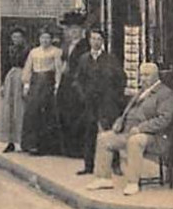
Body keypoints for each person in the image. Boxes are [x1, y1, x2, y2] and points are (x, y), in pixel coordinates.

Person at [87, 62, 173, 196]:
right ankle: (103, 178)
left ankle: (132, 182)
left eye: (147, 75)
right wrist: (120, 121)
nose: (143, 78)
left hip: (155, 136)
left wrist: (141, 128)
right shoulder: (141, 92)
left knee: (135, 141)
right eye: (141, 75)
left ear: (156, 76)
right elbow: (129, 111)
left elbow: (164, 119)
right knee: (104, 139)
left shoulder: (165, 94)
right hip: (129, 131)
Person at [75, 27, 126, 175]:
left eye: (98, 39)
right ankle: (88, 165)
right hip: (90, 102)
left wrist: (115, 96)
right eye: (93, 39)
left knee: (110, 132)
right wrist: (83, 94)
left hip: (107, 101)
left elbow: (121, 78)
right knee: (89, 133)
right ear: (89, 40)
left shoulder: (110, 59)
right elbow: (78, 79)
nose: (95, 42)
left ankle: (115, 165)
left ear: (103, 42)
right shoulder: (84, 59)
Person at [20, 28, 63, 155]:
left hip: (48, 83)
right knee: (32, 112)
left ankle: (46, 146)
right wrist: (26, 84)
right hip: (35, 83)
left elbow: (58, 69)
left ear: (51, 39)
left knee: (46, 112)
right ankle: (31, 144)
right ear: (39, 39)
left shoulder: (56, 52)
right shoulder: (34, 52)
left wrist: (57, 85)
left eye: (47, 38)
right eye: (42, 38)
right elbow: (28, 68)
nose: (45, 40)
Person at [56, 12, 90, 159]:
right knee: (65, 114)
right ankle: (68, 148)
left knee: (77, 115)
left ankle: (78, 149)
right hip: (66, 84)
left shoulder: (85, 45)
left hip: (77, 84)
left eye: (76, 29)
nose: (73, 32)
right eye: (71, 30)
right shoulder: (67, 45)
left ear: (81, 31)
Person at [0, 27, 29, 153]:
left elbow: (28, 66)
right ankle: (10, 141)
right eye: (14, 37)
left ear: (23, 38)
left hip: (22, 78)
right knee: (8, 109)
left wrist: (26, 83)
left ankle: (21, 141)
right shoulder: (10, 50)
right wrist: (2, 84)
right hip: (10, 78)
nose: (16, 39)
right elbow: (5, 66)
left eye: (18, 37)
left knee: (20, 109)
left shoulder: (27, 50)